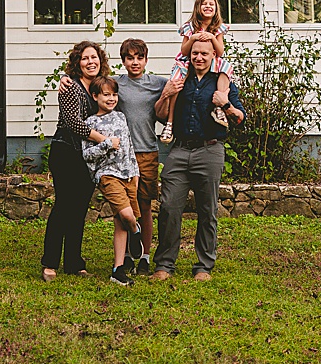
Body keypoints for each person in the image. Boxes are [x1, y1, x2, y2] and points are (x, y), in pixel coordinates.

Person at [152, 34, 244, 282]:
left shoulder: (223, 82)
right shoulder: (180, 78)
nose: (199, 57)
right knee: (169, 207)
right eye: (195, 53)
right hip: (179, 150)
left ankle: (204, 266)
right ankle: (164, 265)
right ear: (189, 56)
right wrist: (165, 94)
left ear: (214, 55)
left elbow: (239, 118)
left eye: (204, 53)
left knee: (207, 210)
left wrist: (225, 105)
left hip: (210, 150)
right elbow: (160, 115)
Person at [41, 40, 111, 281]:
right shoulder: (70, 87)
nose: (90, 62)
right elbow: (73, 123)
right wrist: (104, 140)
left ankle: (73, 262)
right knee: (63, 206)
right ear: (77, 64)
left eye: (94, 58)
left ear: (100, 61)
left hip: (88, 155)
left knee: (79, 209)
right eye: (85, 58)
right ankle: (50, 263)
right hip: (66, 152)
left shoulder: (101, 87)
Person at [81, 75, 143, 286]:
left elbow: (129, 147)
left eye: (114, 94)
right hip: (107, 175)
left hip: (127, 174)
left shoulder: (121, 117)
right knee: (128, 216)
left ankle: (118, 270)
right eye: (106, 95)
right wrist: (106, 144)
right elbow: (87, 155)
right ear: (95, 96)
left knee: (121, 222)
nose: (111, 98)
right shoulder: (90, 123)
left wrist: (135, 172)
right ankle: (136, 232)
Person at [114, 37, 166, 274]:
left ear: (146, 59)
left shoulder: (157, 83)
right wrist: (65, 78)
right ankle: (125, 255)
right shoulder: (116, 84)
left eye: (139, 57)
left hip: (147, 153)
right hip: (122, 155)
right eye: (130, 58)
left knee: (144, 206)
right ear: (123, 61)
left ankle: (144, 255)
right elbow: (87, 83)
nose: (135, 62)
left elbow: (183, 82)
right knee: (124, 208)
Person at [159, 0, 232, 144]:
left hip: (210, 60)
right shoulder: (190, 27)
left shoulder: (217, 28)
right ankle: (170, 123)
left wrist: (212, 37)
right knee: (177, 81)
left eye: (211, 4)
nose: (208, 7)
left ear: (216, 8)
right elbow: (184, 51)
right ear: (198, 7)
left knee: (225, 67)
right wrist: (192, 38)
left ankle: (218, 108)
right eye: (204, 4)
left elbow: (219, 52)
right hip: (189, 61)